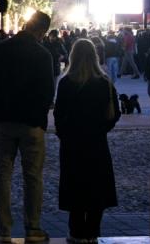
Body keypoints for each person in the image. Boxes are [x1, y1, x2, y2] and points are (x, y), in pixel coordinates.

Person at [0, 11, 55, 243]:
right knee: (32, 176)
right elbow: (48, 91)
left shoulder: (0, 50)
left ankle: (3, 229)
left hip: (3, 121)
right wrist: (39, 116)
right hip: (31, 124)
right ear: (41, 31)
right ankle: (33, 227)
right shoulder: (42, 55)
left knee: (3, 175)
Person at [54, 39, 120, 242]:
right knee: (96, 187)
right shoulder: (104, 83)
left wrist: (65, 134)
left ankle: (76, 231)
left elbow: (58, 114)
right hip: (96, 143)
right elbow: (114, 114)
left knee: (75, 186)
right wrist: (101, 129)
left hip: (72, 144)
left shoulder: (66, 83)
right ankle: (92, 231)